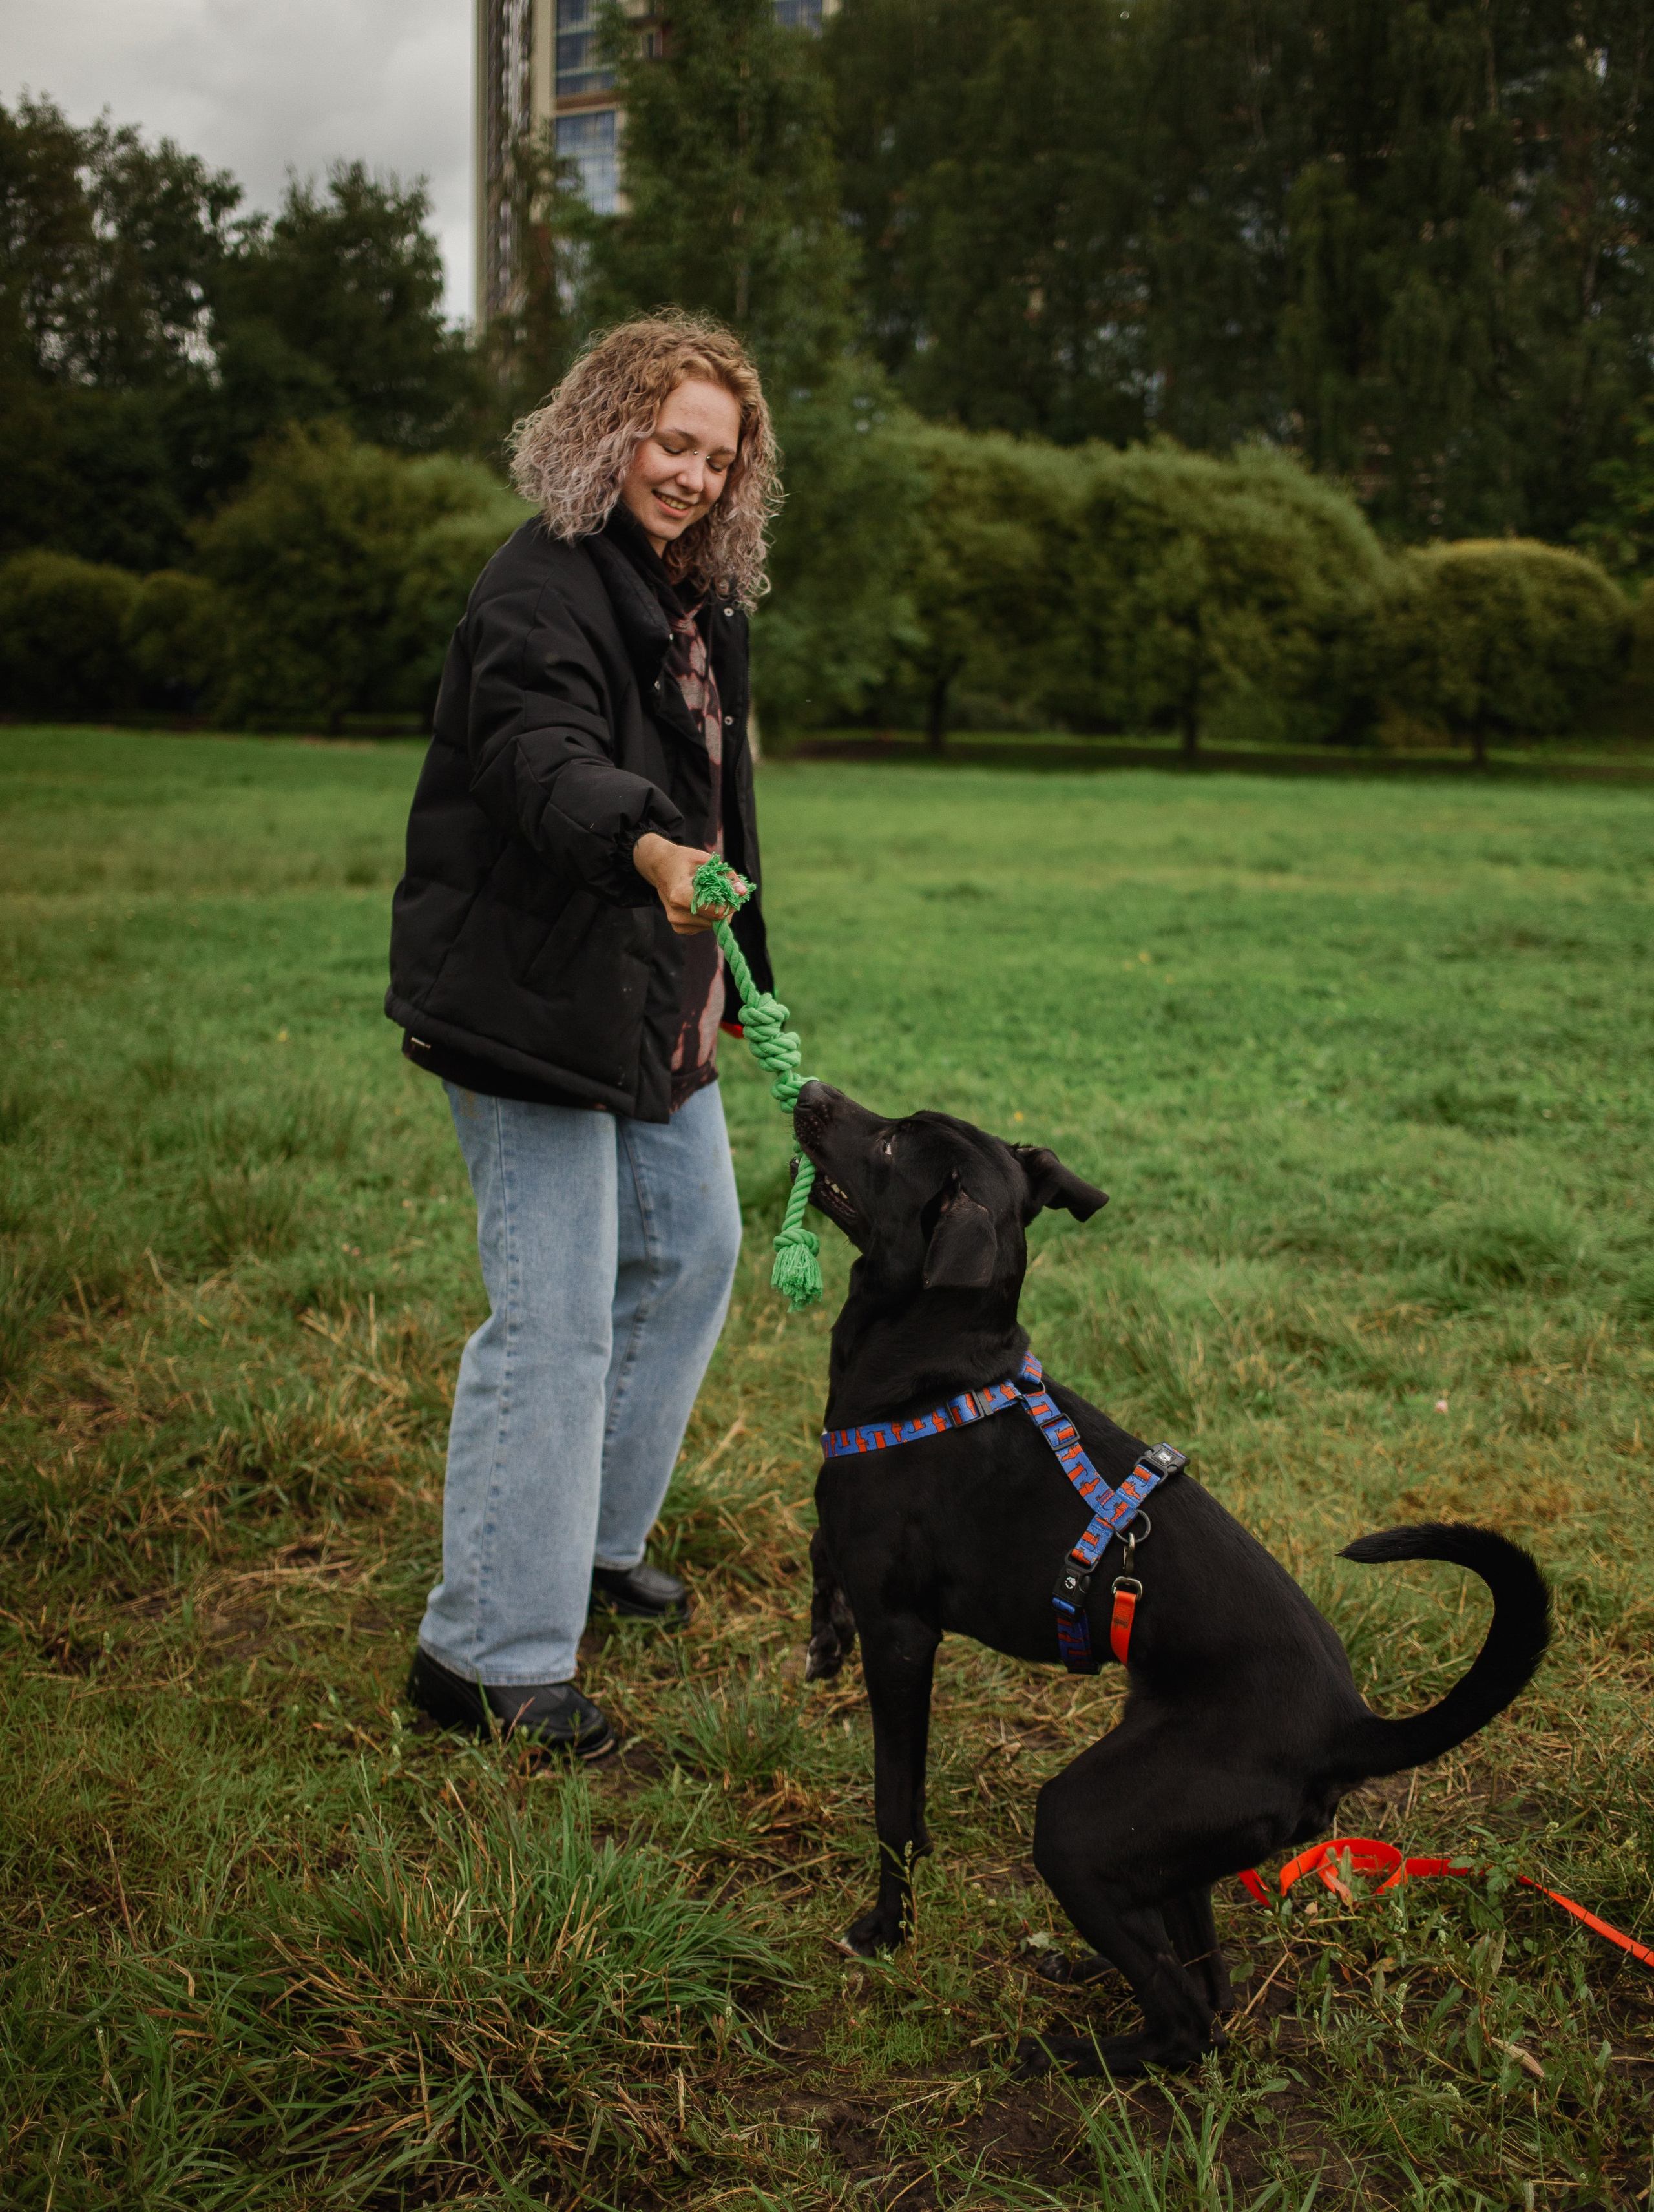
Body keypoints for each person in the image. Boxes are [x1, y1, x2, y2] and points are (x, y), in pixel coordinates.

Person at [385, 313, 779, 1760]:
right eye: (670, 440)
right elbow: (543, 761)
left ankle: (587, 1541)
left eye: (715, 456)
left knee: (692, 1251)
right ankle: (484, 1650)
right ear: (605, 426)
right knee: (550, 1318)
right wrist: (651, 850)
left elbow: (728, 813)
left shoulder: (696, 602)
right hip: (528, 996)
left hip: (651, 990)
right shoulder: (535, 589)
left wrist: (741, 972)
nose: (689, 473)